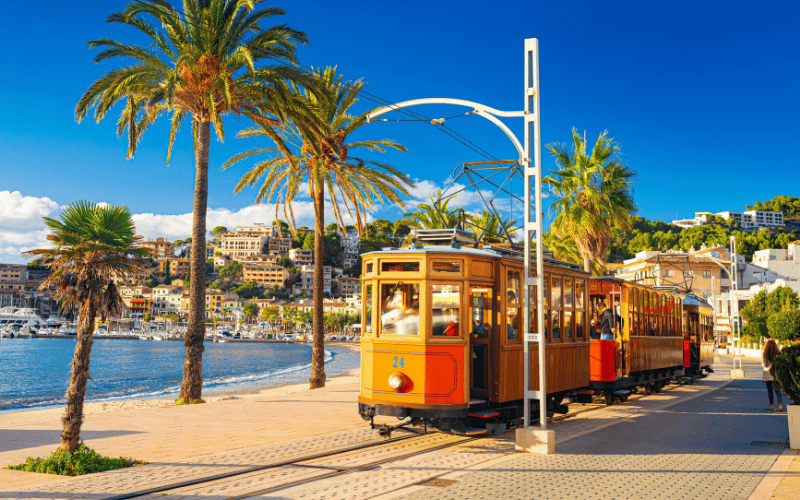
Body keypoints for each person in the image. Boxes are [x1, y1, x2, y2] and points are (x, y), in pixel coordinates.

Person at [762, 340, 783, 412]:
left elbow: (764, 365)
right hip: (775, 374)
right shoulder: (778, 353)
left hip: (767, 374)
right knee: (777, 390)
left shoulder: (765, 354)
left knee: (770, 390)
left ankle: (771, 405)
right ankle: (780, 405)